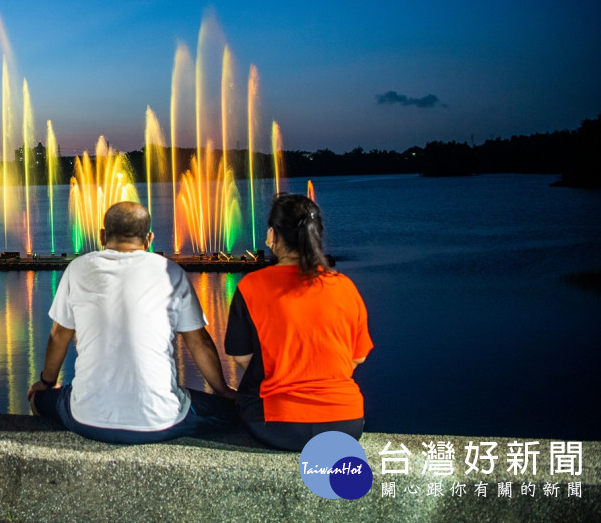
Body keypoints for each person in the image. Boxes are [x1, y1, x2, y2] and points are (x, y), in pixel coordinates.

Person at [27, 201, 236, 444]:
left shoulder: (77, 269)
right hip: (162, 421)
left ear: (102, 235)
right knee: (230, 413)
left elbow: (59, 334)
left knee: (38, 400)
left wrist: (46, 382)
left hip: (85, 420)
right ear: (149, 239)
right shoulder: (171, 272)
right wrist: (223, 391)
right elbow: (199, 342)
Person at [225, 193, 373, 451]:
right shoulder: (344, 286)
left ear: (272, 235)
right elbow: (357, 358)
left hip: (280, 425)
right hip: (347, 423)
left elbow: (242, 358)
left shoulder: (251, 286)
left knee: (237, 399)